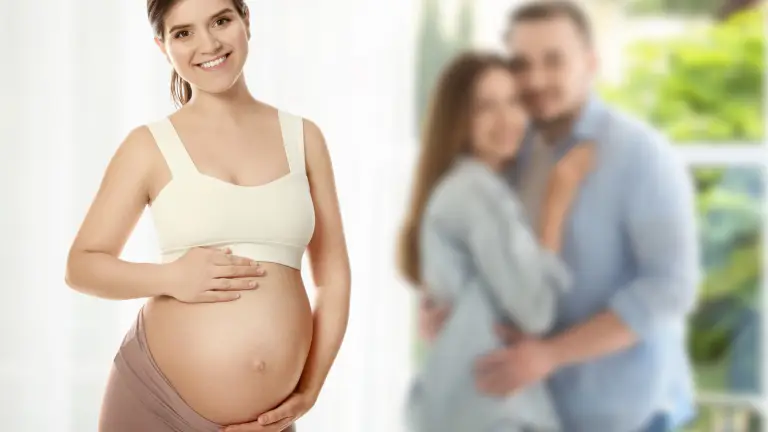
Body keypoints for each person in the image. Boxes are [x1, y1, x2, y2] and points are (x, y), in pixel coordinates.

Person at [64, 0, 351, 431]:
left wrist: (309, 391)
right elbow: (81, 265)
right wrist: (171, 278)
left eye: (220, 20)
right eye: (183, 33)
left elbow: (334, 278)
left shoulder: (304, 138)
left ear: (245, 20)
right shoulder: (148, 146)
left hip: (265, 422)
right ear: (163, 47)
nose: (208, 43)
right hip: (153, 402)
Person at [418, 2, 700, 431]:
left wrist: (551, 355)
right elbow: (498, 263)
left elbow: (670, 288)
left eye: (554, 60)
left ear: (590, 62)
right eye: (521, 64)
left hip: (628, 413)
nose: (535, 79)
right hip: (534, 410)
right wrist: (446, 307)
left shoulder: (640, 155)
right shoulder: (511, 149)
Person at [398, 52, 594, 432]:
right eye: (485, 107)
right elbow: (535, 311)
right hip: (488, 411)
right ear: (458, 119)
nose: (507, 119)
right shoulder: (476, 193)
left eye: (514, 102)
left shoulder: (467, 188)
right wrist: (557, 206)